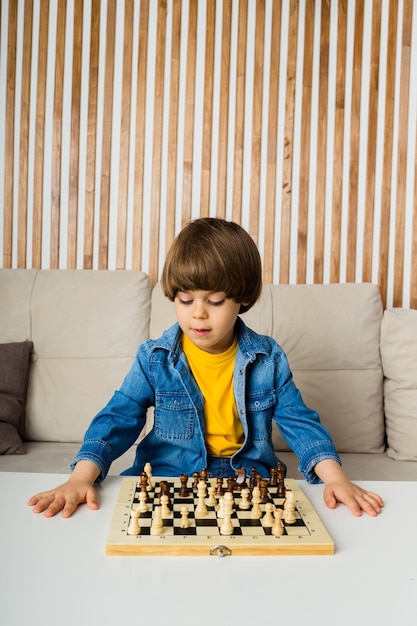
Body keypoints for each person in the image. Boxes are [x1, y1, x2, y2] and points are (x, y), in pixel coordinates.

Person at [28, 218, 383, 519]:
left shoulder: (268, 358)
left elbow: (299, 421)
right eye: (185, 300)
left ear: (242, 297)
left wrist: (335, 477)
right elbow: (118, 418)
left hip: (246, 483)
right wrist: (81, 476)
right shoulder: (155, 358)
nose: (198, 313)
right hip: (167, 478)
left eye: (214, 301)